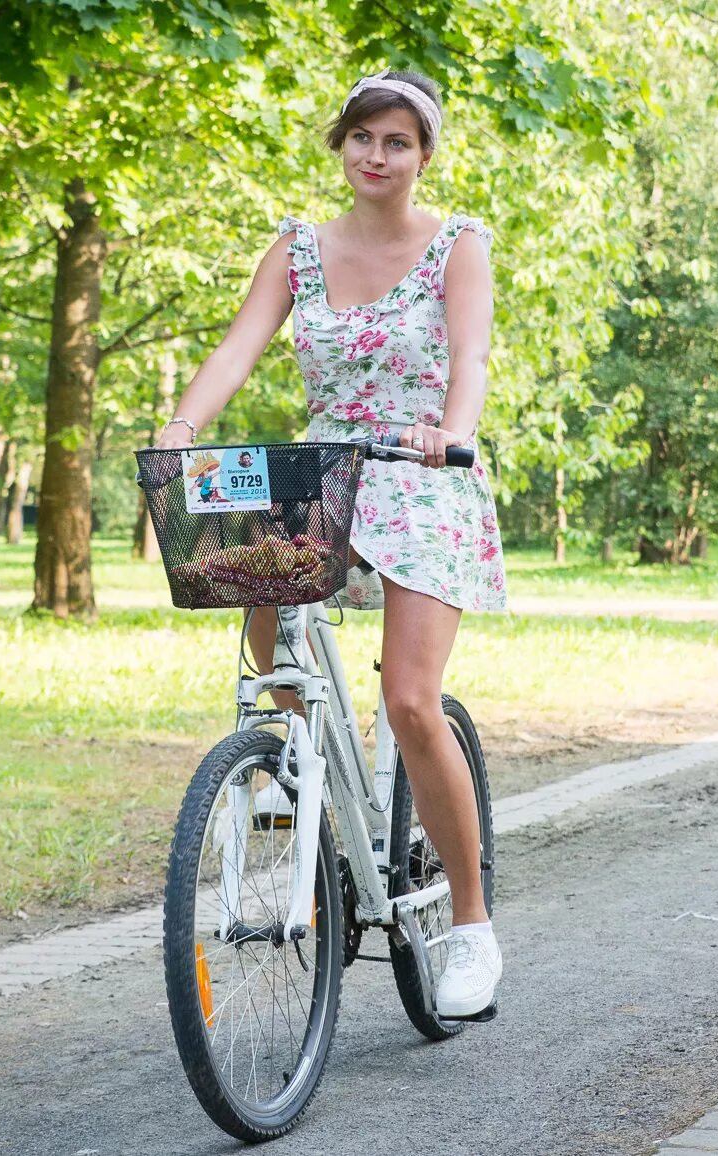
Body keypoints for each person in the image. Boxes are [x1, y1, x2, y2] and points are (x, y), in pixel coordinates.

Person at [155, 69, 506, 1018]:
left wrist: (451, 428)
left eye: (397, 142)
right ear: (341, 147)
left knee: (409, 699)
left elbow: (468, 355)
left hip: (425, 468)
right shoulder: (299, 249)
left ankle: (470, 927)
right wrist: (183, 426)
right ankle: (299, 748)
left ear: (423, 156)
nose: (376, 156)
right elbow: (239, 348)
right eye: (362, 138)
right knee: (245, 552)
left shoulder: (457, 244)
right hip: (332, 466)